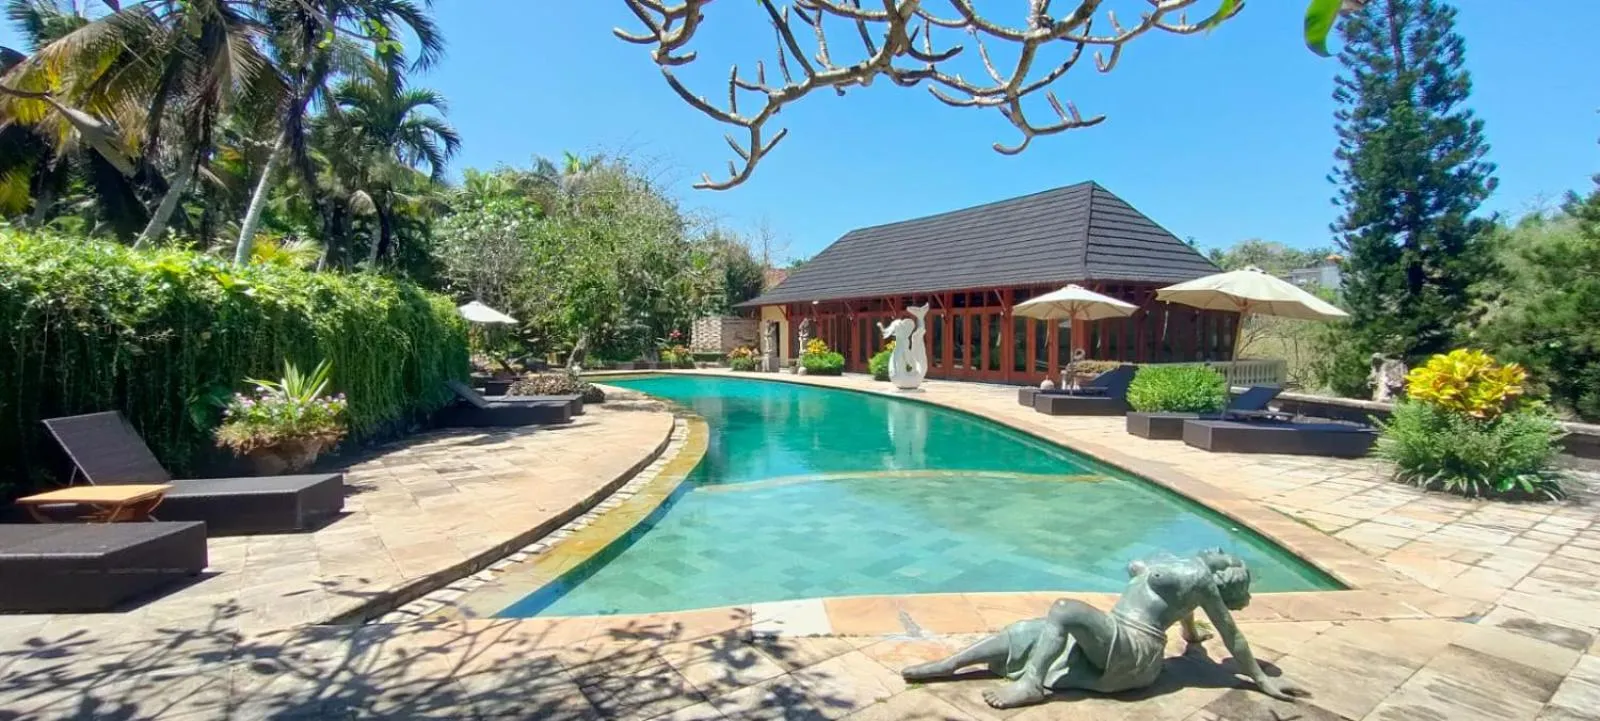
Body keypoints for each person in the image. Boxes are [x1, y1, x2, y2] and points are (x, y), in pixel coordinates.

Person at [901, 549, 1308, 709]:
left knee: (1064, 610)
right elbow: (1186, 606)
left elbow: (1231, 633)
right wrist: (1191, 638)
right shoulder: (1188, 573)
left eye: (1224, 556)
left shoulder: (1198, 578)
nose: (1219, 551)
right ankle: (949, 665)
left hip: (1134, 649)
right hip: (1113, 633)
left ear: (1223, 575)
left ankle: (1032, 685)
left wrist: (1259, 678)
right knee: (1024, 630)